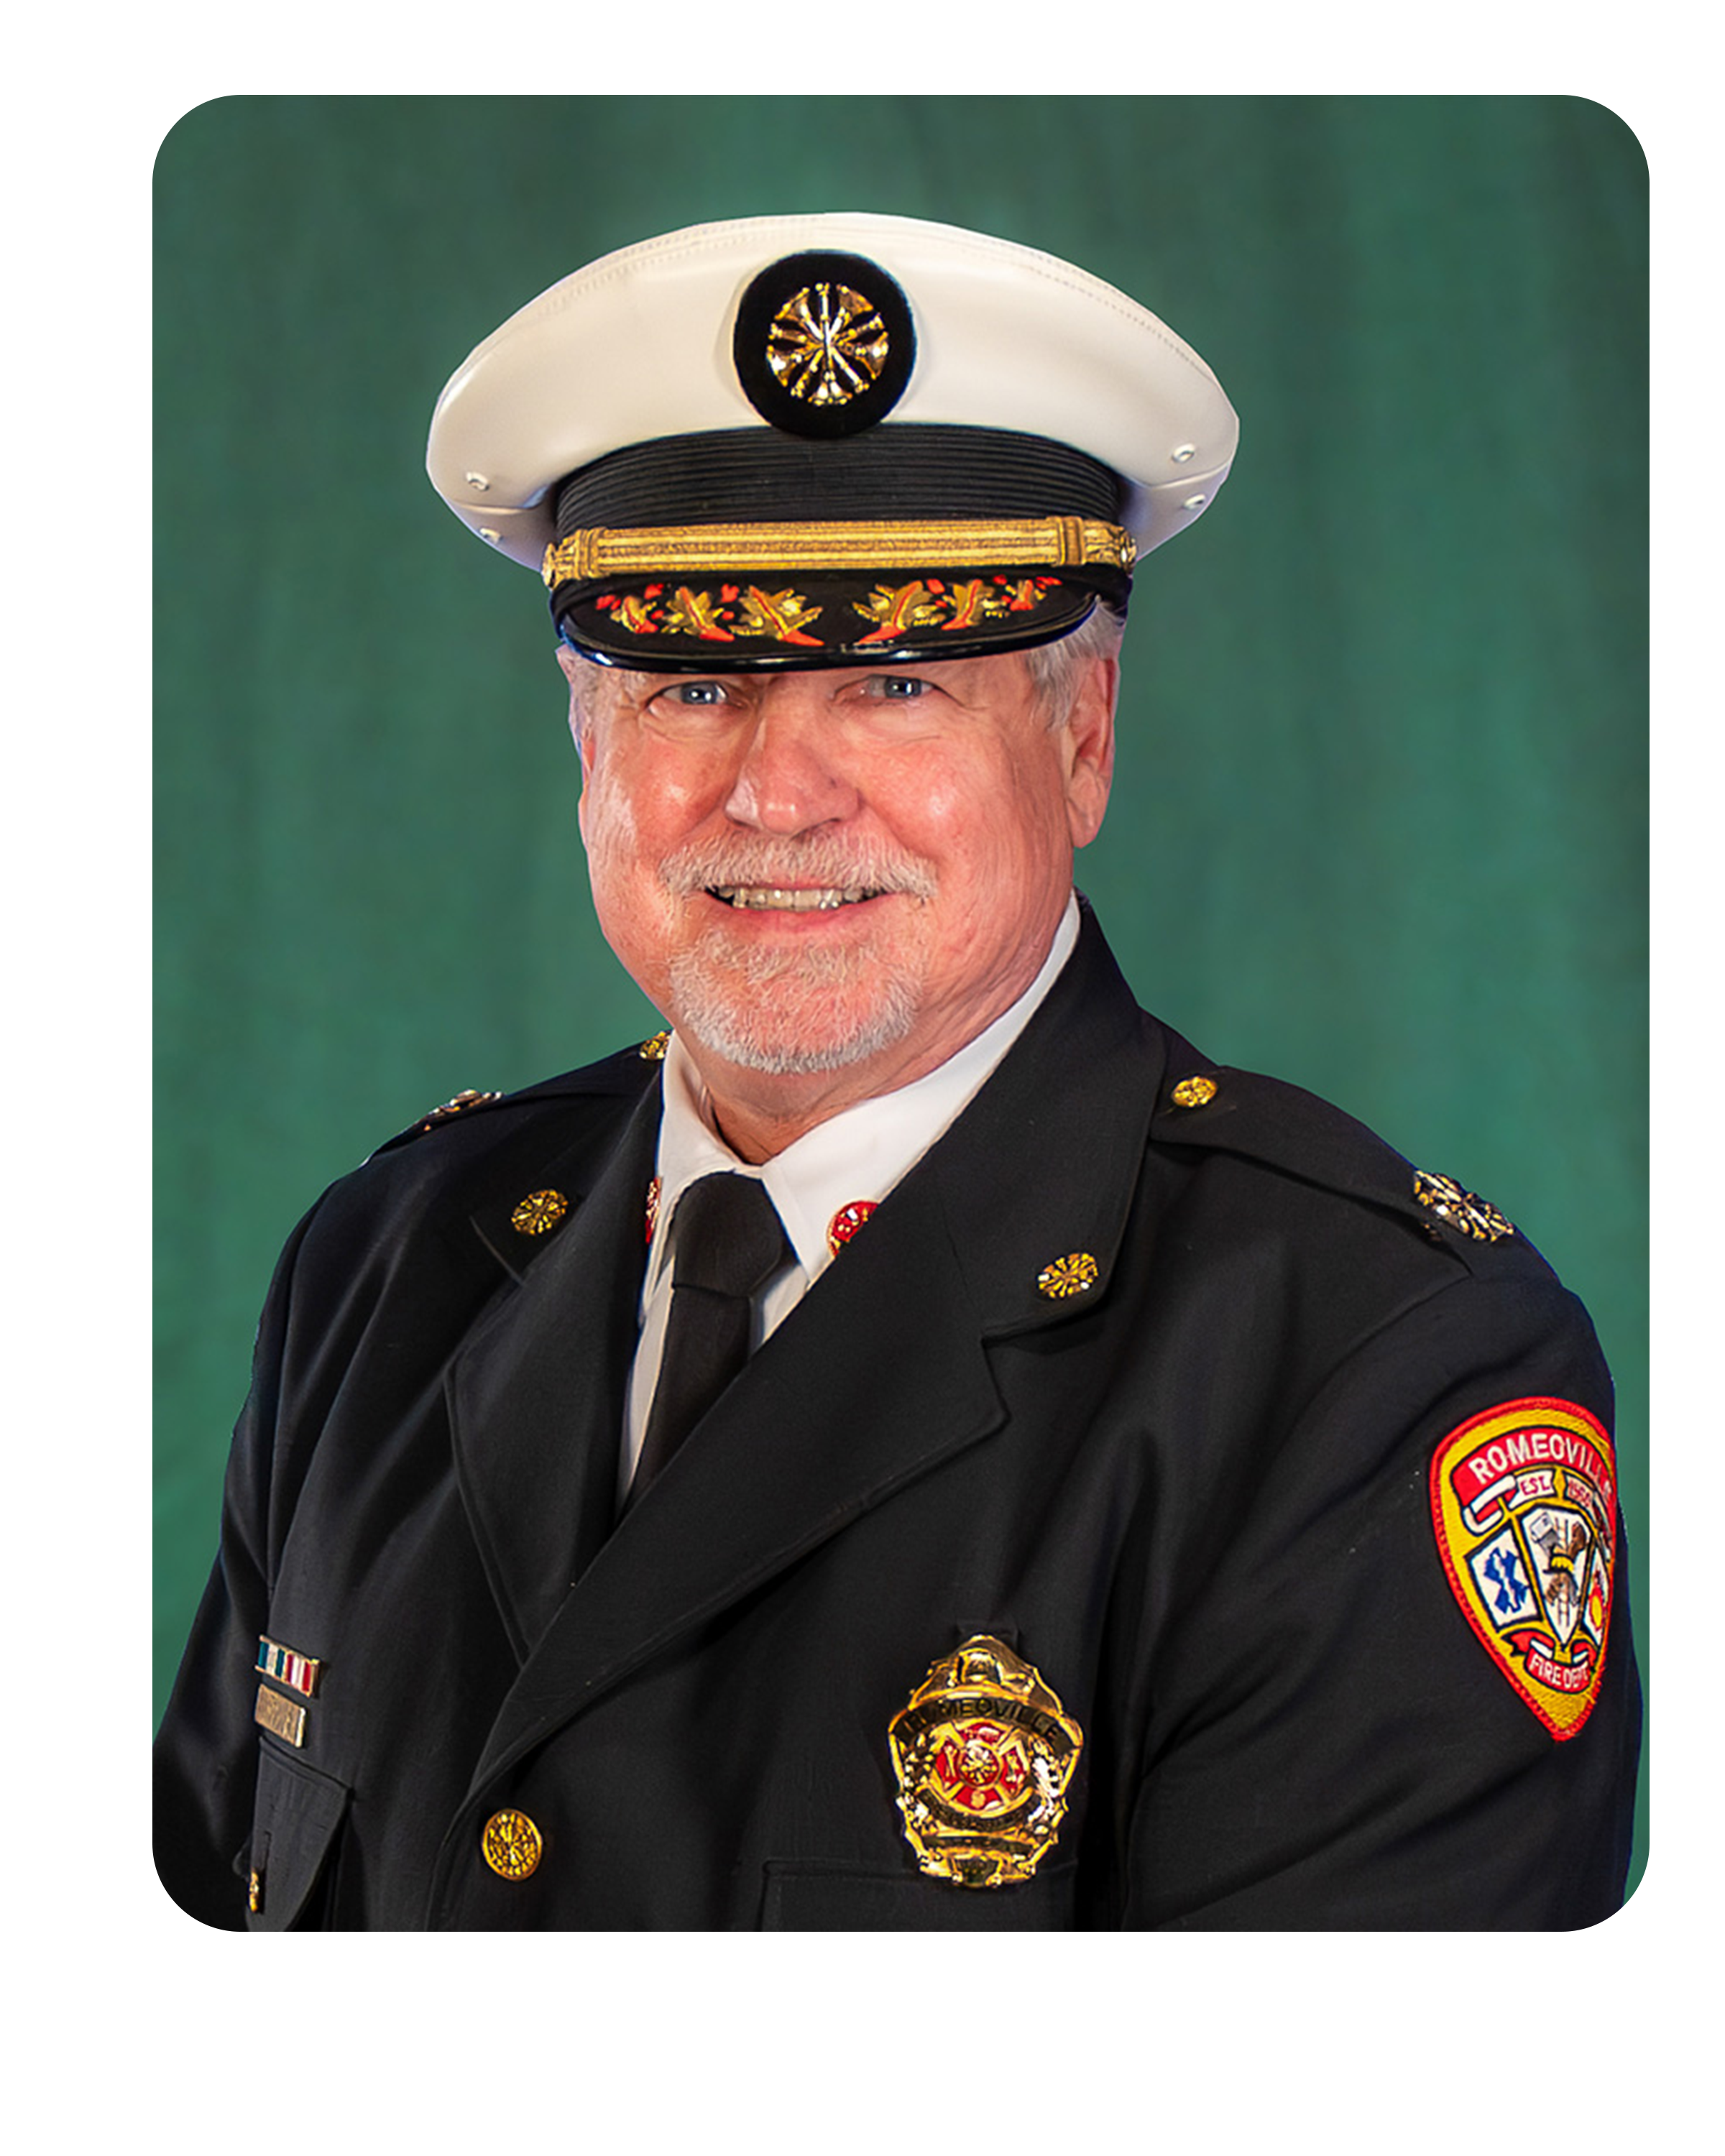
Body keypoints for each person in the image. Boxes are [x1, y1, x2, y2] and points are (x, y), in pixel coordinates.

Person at [153, 211, 1640, 1930]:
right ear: (584, 744)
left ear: (1080, 742)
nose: (777, 797)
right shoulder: (388, 1266)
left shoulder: (1371, 1370)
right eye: (692, 682)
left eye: (898, 684)